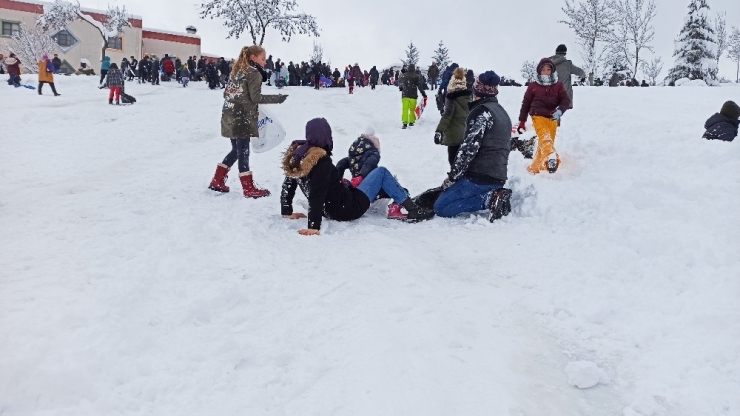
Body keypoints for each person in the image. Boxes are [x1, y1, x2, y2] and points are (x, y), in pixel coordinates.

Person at [281, 118, 434, 235]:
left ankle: (394, 199)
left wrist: (287, 211)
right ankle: (412, 210)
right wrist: (313, 226)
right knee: (382, 173)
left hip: (332, 207)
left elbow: (289, 182)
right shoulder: (321, 161)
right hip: (347, 208)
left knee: (371, 179)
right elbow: (317, 193)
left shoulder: (301, 156)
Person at [433, 70, 513, 222]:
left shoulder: (481, 112)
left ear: (477, 89)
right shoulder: (502, 112)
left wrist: (452, 177)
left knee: (441, 207)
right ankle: (493, 193)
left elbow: (468, 149)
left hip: (479, 176)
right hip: (499, 176)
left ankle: (489, 199)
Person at [208, 45, 288, 198]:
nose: (265, 62)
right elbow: (256, 98)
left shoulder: (237, 71)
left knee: (236, 151)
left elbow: (226, 93)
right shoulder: (253, 73)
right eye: (263, 59)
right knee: (243, 151)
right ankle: (248, 188)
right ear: (253, 57)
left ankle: (217, 180)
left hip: (229, 115)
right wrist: (277, 99)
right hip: (242, 118)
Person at [517, 58, 571, 174]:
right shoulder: (533, 86)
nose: (546, 72)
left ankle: (535, 168)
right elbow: (526, 103)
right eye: (543, 70)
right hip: (538, 115)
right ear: (539, 71)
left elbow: (565, 100)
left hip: (553, 117)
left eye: (548, 69)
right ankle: (552, 157)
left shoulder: (558, 85)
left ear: (552, 70)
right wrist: (522, 121)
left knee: (545, 142)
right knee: (545, 138)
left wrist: (560, 111)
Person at [434, 67, 470, 170]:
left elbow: (447, 116)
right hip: (465, 134)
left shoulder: (451, 98)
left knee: (453, 161)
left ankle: (455, 181)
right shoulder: (469, 97)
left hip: (454, 137)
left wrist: (439, 131)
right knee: (462, 162)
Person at [550, 44, 585, 109]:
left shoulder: (547, 63)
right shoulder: (567, 64)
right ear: (565, 53)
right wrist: (583, 76)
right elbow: (579, 71)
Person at [398, 64, 427, 129]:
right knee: (412, 109)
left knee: (405, 109)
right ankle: (411, 122)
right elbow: (420, 86)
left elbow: (400, 83)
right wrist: (424, 94)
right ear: (414, 69)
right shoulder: (416, 76)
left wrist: (401, 88)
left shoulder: (403, 75)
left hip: (405, 95)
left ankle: (405, 123)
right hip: (413, 95)